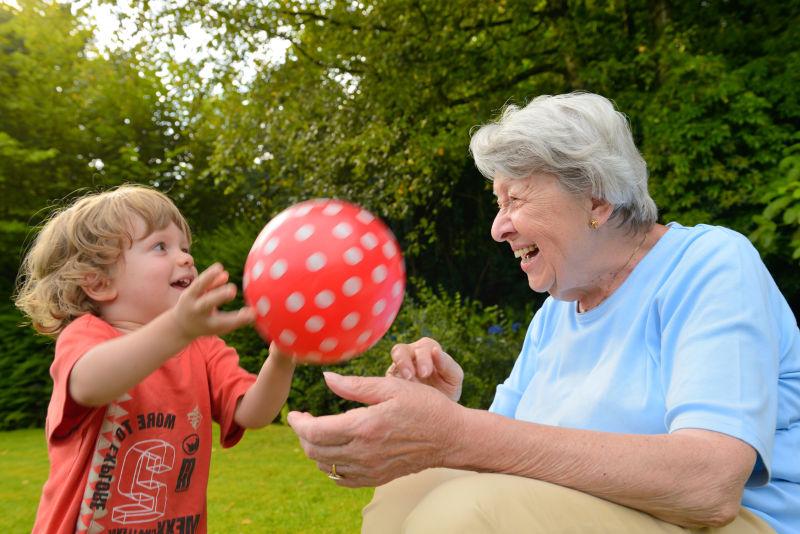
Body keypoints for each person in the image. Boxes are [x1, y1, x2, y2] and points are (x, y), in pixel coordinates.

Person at [287, 92, 799, 533]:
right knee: (408, 492)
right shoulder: (556, 313)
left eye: (515, 199)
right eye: (497, 203)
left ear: (596, 200)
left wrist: (457, 433)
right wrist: (444, 417)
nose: (497, 227)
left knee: (468, 517)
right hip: (622, 511)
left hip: (739, 522)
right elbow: (499, 452)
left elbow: (710, 484)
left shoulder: (709, 265)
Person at [15, 185, 296, 533]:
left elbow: (254, 412)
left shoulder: (201, 346)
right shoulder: (87, 335)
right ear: (99, 282)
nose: (186, 258)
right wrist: (178, 327)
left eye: (185, 247)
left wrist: (283, 355)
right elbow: (88, 385)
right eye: (160, 246)